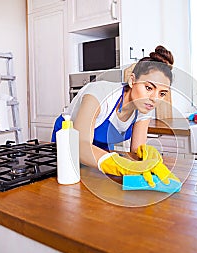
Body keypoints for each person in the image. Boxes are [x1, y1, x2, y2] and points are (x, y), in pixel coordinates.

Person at [52, 45, 179, 187]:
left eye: (162, 93)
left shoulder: (144, 107)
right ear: (132, 80)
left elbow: (136, 150)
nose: (154, 98)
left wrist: (147, 156)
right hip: (66, 147)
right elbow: (79, 146)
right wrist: (119, 164)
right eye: (149, 88)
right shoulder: (100, 94)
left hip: (101, 152)